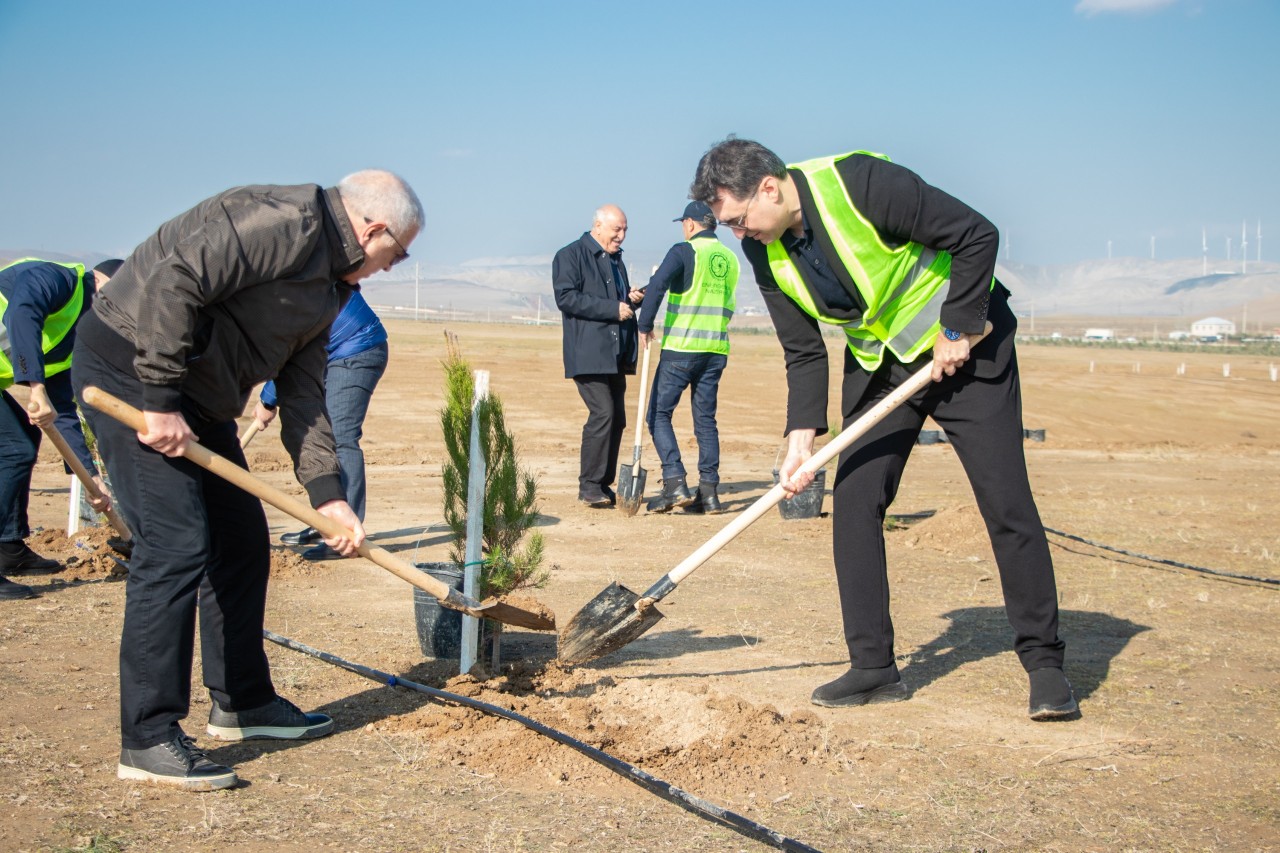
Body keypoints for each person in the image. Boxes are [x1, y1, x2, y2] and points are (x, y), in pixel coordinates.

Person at [690, 138, 1076, 721]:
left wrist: (958, 326)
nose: (739, 234)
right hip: (885, 364)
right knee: (854, 500)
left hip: (969, 349)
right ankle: (873, 666)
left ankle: (1045, 665)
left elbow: (977, 235)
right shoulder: (763, 251)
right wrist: (800, 439)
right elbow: (803, 351)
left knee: (1004, 502)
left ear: (768, 188)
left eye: (740, 220)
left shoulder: (861, 184)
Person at [71, 169, 423, 791]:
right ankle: (148, 736)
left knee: (239, 543)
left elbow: (306, 395)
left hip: (197, 401)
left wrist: (329, 496)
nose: (393, 268)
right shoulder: (282, 221)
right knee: (175, 544)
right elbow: (175, 278)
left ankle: (242, 701)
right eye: (397, 253)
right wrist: (157, 395)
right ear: (373, 229)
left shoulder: (332, 289)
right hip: (130, 368)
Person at [0, 258, 120, 600]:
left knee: (21, 442)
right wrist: (35, 386)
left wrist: (90, 477)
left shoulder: (77, 335)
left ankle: (8, 546)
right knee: (13, 447)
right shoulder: (55, 279)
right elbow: (22, 312)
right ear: (98, 279)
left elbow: (64, 411)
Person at [253, 289, 389, 560]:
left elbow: (290, 352)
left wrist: (268, 399)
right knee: (320, 432)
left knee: (341, 436)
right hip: (331, 350)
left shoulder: (283, 287)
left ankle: (345, 534)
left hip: (356, 347)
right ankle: (327, 521)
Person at [636, 201, 739, 514]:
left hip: (682, 348)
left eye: (684, 223)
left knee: (658, 415)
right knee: (705, 422)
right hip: (715, 351)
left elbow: (660, 287)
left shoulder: (683, 250)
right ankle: (709, 493)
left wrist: (644, 325)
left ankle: (674, 481)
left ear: (692, 224)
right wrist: (646, 289)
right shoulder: (730, 258)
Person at [552, 205, 644, 507]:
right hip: (589, 353)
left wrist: (629, 299)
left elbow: (615, 303)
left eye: (625, 230)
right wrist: (612, 309)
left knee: (617, 418)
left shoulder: (616, 261)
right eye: (617, 229)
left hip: (615, 354)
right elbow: (566, 297)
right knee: (603, 413)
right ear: (598, 225)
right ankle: (589, 485)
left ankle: (603, 485)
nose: (622, 235)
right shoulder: (570, 255)